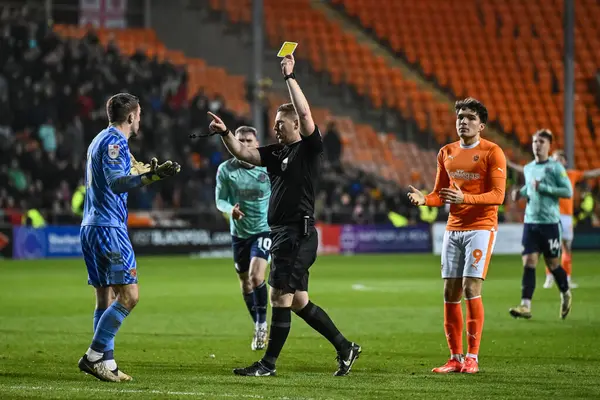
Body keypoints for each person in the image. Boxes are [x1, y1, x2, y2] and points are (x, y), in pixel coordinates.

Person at [206, 54, 361, 377]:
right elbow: (244, 152)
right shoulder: (276, 153)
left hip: (297, 233)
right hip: (283, 234)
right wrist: (225, 133)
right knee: (299, 301)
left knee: (279, 296)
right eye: (275, 124)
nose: (275, 128)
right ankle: (346, 348)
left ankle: (268, 364)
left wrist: (290, 77)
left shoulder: (308, 148)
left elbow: (305, 112)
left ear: (295, 126)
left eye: (280, 124)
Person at [78, 93, 181, 382]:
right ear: (132, 116)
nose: (141, 120)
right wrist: (151, 179)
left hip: (92, 226)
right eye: (140, 114)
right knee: (130, 296)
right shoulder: (114, 142)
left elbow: (128, 171)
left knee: (105, 297)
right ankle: (94, 355)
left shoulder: (101, 139)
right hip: (109, 228)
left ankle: (106, 363)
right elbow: (116, 182)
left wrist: (151, 169)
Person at [408, 98, 506, 374]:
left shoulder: (492, 152)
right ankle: (455, 357)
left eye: (470, 117)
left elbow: (498, 196)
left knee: (471, 287)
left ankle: (473, 357)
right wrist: (424, 199)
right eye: (460, 116)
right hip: (454, 228)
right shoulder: (446, 152)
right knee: (450, 291)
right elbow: (440, 194)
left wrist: (466, 197)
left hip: (482, 227)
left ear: (481, 125)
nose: (463, 121)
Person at [507, 150, 600, 289]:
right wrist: (510, 164)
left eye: (560, 159)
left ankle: (567, 278)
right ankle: (549, 278)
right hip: (550, 215)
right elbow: (526, 170)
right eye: (555, 159)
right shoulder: (546, 174)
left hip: (567, 217)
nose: (557, 162)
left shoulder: (571, 174)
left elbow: (591, 173)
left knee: (567, 248)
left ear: (565, 162)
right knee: (549, 247)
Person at [215, 126, 270, 351]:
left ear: (257, 144)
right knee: (245, 283)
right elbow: (220, 200)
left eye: (248, 140)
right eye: (239, 140)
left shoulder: (268, 167)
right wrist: (230, 210)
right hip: (239, 233)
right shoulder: (225, 170)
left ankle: (262, 325)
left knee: (257, 277)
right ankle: (257, 321)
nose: (244, 144)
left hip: (264, 230)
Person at [508, 130, 573, 320]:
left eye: (541, 142)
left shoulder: (555, 168)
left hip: (550, 224)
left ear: (549, 145)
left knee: (553, 264)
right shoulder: (528, 167)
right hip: (530, 222)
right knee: (529, 262)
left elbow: (567, 191)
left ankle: (566, 292)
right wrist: (520, 192)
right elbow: (530, 186)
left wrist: (543, 188)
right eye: (535, 141)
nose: (537, 145)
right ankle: (525, 305)